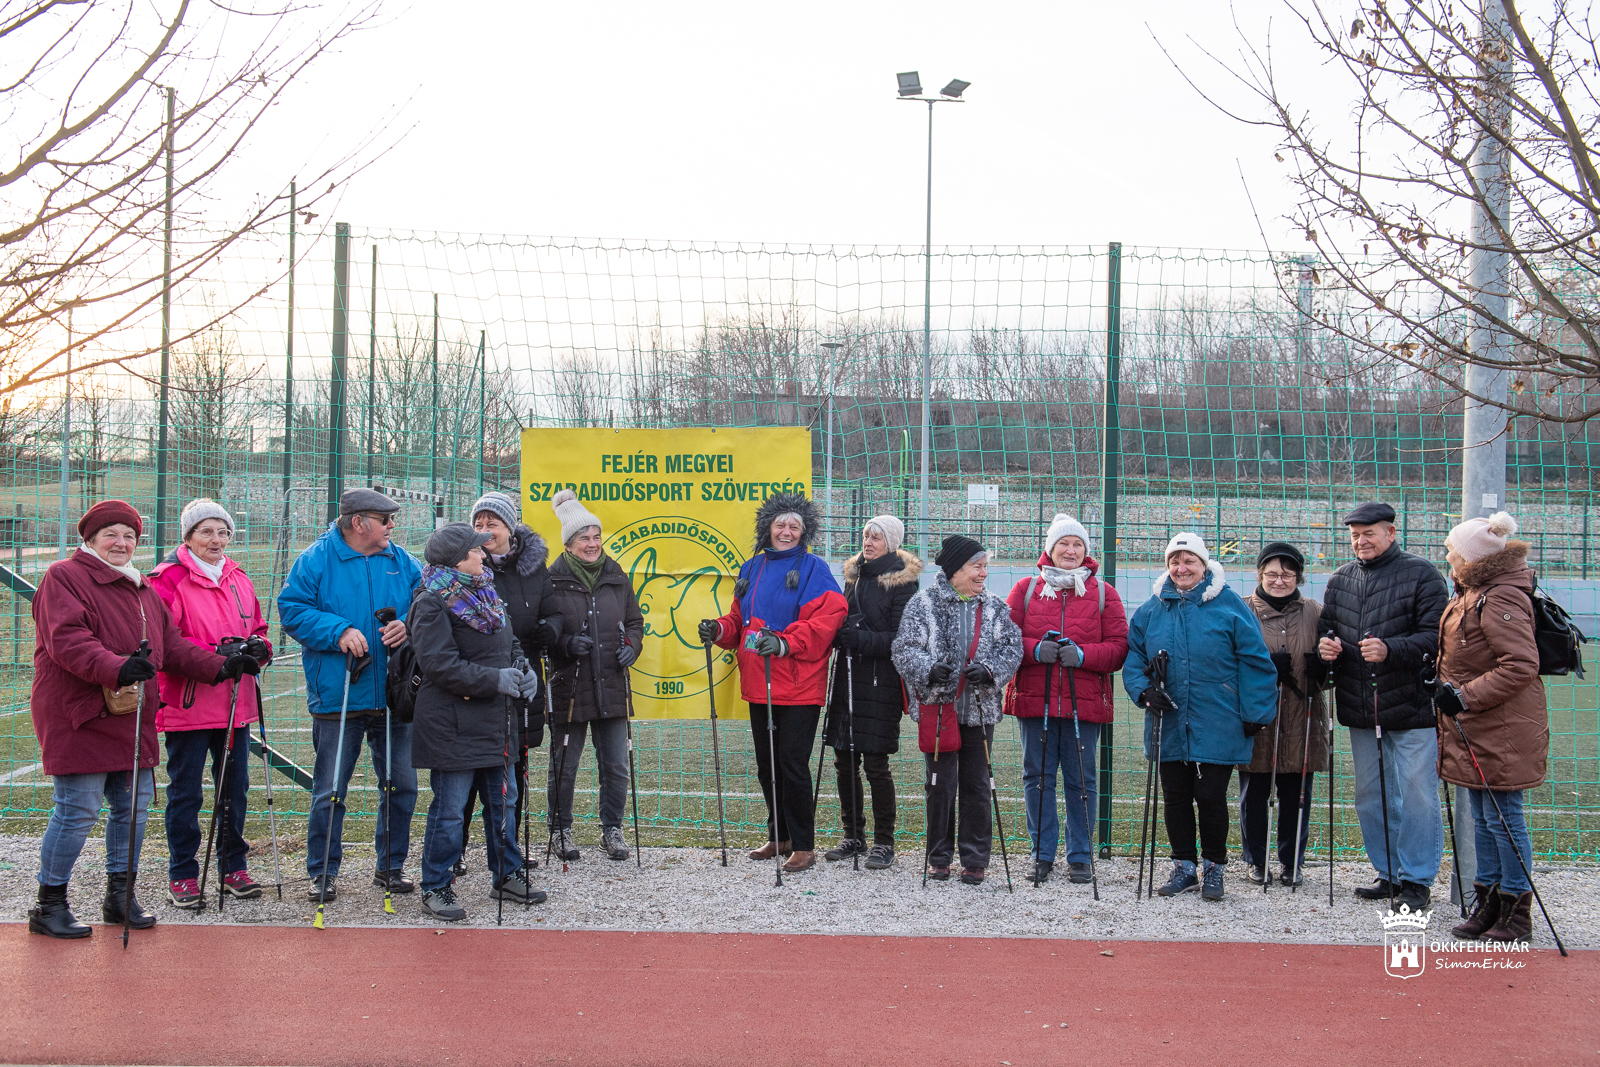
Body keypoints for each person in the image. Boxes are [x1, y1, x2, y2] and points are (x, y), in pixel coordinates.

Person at [27, 501, 242, 939]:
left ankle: (119, 897)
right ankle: (48, 904)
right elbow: (66, 640)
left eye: (129, 536)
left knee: (133, 809)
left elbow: (173, 645)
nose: (121, 543)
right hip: (80, 715)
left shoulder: (142, 587)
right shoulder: (63, 578)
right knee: (78, 811)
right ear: (89, 540)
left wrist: (222, 665)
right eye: (110, 534)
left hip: (132, 715)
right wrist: (116, 667)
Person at [279, 487, 423, 901]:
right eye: (386, 519)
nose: (393, 526)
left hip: (395, 697)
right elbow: (291, 609)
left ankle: (391, 866)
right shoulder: (315, 560)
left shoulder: (402, 561)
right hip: (338, 695)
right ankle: (322, 871)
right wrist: (337, 629)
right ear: (359, 523)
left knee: (402, 785)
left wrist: (409, 626)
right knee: (330, 790)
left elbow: (426, 603)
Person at [1123, 533, 1276, 902]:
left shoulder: (1230, 605)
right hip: (1169, 721)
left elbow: (1257, 661)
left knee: (1210, 796)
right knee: (1174, 796)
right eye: (1175, 561)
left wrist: (1256, 712)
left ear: (1204, 565)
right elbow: (1133, 659)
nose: (1181, 568)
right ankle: (1184, 867)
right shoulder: (1151, 609)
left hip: (1218, 718)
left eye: (1189, 560)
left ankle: (1214, 867)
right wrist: (1144, 691)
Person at [701, 493, 846, 873]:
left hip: (798, 684)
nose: (786, 531)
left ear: (804, 532)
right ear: (768, 527)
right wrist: (718, 629)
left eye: (793, 526)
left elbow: (827, 618)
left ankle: (804, 844)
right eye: (780, 524)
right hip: (758, 681)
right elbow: (739, 620)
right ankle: (778, 835)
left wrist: (785, 642)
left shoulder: (815, 569)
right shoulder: (751, 567)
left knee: (792, 763)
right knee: (768, 765)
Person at [1318, 502, 1448, 912]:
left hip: (1412, 709)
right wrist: (1328, 648)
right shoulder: (1340, 579)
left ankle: (1417, 879)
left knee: (1418, 796)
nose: (1361, 541)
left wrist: (1391, 650)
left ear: (1391, 533)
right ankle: (1389, 872)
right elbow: (1328, 631)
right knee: (1371, 796)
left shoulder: (1423, 574)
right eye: (1355, 534)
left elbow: (1436, 638)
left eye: (1369, 533)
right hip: (1360, 709)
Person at [410, 523, 544, 921]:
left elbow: (510, 641)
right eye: (475, 552)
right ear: (455, 558)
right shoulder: (431, 601)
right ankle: (436, 884)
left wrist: (522, 668)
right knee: (450, 810)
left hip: (495, 721)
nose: (484, 556)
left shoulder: (486, 589)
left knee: (504, 801)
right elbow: (438, 665)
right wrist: (495, 680)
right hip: (452, 725)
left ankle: (505, 873)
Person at [149, 499, 273, 909]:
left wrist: (259, 648)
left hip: (236, 706)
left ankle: (233, 866)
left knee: (235, 790)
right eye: (206, 531)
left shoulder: (239, 576)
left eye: (223, 532)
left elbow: (257, 626)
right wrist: (219, 659)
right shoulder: (167, 579)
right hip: (188, 704)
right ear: (188, 537)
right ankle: (183, 872)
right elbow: (168, 642)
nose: (216, 540)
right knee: (186, 793)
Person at [1432, 512, 1548, 943]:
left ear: (1471, 557)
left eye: (1452, 550)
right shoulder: (1473, 591)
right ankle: (1489, 901)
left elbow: (1520, 665)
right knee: (1482, 818)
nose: (1447, 555)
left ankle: (1516, 910)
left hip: (1500, 725)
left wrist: (1463, 696)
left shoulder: (1499, 596)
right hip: (1476, 724)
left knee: (1504, 818)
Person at [1005, 514, 1128, 885]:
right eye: (1064, 544)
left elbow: (1119, 648)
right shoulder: (1025, 589)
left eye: (1077, 545)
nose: (1070, 551)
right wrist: (1034, 649)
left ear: (1086, 551)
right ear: (1050, 549)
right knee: (1037, 778)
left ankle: (1080, 855)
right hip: (1035, 700)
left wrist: (1085, 656)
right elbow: (1005, 639)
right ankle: (1041, 853)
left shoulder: (1105, 593)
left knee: (1081, 781)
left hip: (1083, 704)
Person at [891, 535, 1022, 885]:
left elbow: (1013, 648)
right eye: (976, 566)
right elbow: (904, 650)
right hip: (939, 713)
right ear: (955, 570)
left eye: (985, 566)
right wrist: (928, 669)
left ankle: (975, 858)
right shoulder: (923, 604)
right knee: (940, 785)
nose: (983, 573)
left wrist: (991, 671)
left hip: (980, 712)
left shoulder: (995, 606)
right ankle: (939, 856)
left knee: (978, 785)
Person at [458, 491, 560, 877]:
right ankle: (459, 850)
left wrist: (547, 631)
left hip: (522, 679)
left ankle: (507, 851)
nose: (485, 532)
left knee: (513, 773)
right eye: (478, 525)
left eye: (492, 525)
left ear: (509, 528)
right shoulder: (466, 567)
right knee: (468, 777)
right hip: (478, 681)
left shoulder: (535, 569)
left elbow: (553, 612)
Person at [545, 489, 645, 862]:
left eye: (596, 536)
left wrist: (631, 647)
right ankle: (560, 829)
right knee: (565, 764)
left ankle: (612, 830)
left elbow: (635, 621)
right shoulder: (550, 579)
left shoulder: (616, 575)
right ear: (569, 544)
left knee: (616, 764)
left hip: (613, 684)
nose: (592, 543)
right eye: (583, 538)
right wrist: (566, 643)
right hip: (570, 687)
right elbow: (543, 628)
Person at [823, 514, 920, 870]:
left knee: (876, 764)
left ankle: (884, 842)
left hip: (881, 682)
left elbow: (904, 639)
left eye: (876, 537)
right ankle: (853, 834)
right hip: (848, 676)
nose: (868, 541)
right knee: (843, 759)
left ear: (891, 543)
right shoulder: (854, 576)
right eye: (866, 535)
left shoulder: (903, 583)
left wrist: (861, 638)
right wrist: (837, 633)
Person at [1238, 542, 1330, 887]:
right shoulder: (1242, 608)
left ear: (1298, 578)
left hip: (1302, 713)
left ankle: (1292, 861)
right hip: (1256, 715)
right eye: (1273, 573)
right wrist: (1264, 667)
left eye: (1287, 574)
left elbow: (1330, 669)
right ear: (1261, 574)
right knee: (1254, 791)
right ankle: (1256, 859)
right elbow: (1229, 659)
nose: (1279, 580)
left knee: (1297, 794)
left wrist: (1322, 663)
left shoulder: (1314, 611)